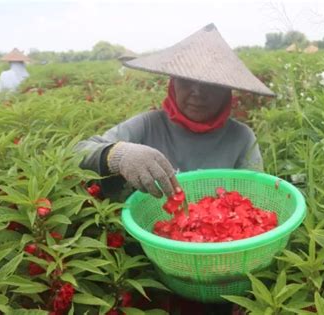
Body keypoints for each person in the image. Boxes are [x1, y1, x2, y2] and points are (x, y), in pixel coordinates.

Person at [75, 23, 275, 314]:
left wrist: (254, 285)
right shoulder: (147, 125)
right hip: (149, 273)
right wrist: (117, 154)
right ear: (171, 82)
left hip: (223, 276)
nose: (197, 92)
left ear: (228, 91)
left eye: (210, 84)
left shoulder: (240, 137)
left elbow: (259, 206)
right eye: (186, 81)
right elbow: (75, 152)